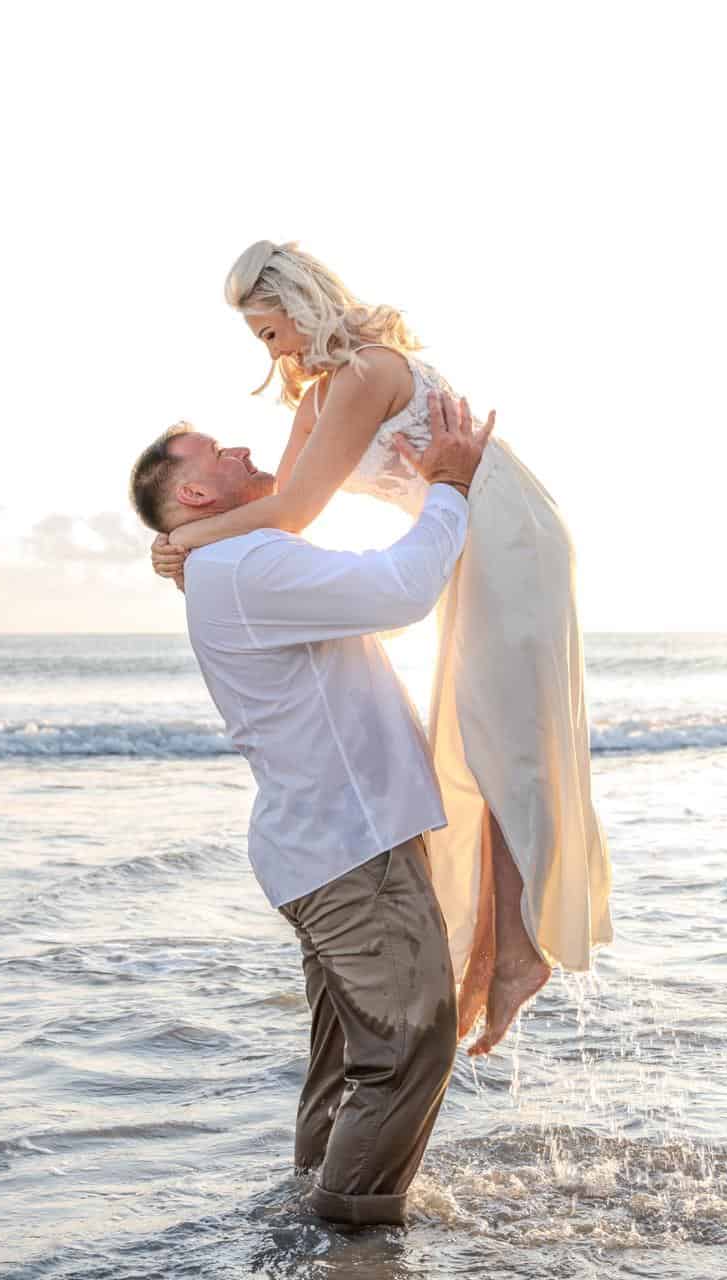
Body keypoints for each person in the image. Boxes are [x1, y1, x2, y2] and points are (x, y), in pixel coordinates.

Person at [152, 241, 613, 1056]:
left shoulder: (371, 369)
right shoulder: (321, 396)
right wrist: (197, 548)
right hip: (466, 541)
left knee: (504, 741)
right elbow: (283, 514)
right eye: (261, 341)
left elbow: (292, 511)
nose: (273, 352)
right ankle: (502, 950)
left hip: (507, 534)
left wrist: (186, 539)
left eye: (270, 332)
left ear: (301, 305)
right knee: (474, 741)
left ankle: (516, 953)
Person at [130, 390, 493, 1228]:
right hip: (349, 850)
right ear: (194, 492)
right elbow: (402, 590)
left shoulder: (230, 562)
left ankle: (309, 1220)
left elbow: (360, 585)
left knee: (351, 1059)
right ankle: (351, 1236)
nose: (241, 451)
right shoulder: (244, 565)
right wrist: (449, 485)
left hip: (324, 848)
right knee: (409, 1045)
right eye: (218, 452)